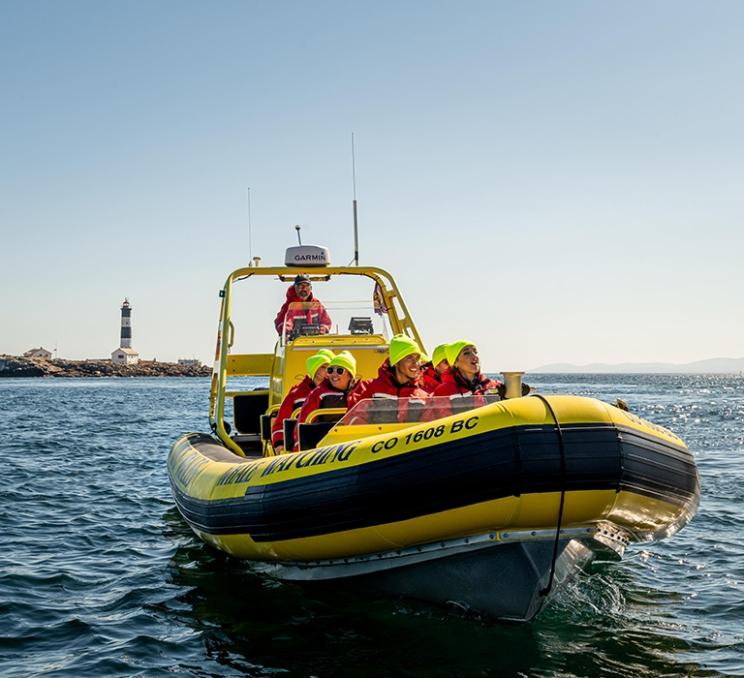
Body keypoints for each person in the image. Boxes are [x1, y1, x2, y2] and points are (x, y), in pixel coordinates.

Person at [346, 334, 430, 423]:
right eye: (409, 358)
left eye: (417, 358)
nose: (416, 363)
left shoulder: (423, 396)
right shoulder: (368, 388)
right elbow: (352, 418)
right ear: (396, 362)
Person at [270, 349, 334, 453]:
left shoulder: (340, 393)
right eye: (321, 367)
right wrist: (279, 442)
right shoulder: (296, 394)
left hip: (332, 445)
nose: (322, 372)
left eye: (328, 368)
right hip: (303, 449)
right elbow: (280, 423)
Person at [293, 351, 358, 451]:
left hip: (354, 443)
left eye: (340, 370)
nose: (334, 374)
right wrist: (299, 449)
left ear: (350, 374)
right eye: (330, 370)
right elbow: (303, 421)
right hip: (323, 446)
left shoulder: (360, 392)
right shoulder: (318, 393)